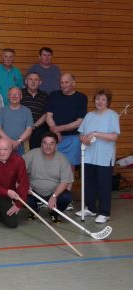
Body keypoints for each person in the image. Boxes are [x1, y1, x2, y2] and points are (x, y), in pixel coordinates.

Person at [77, 89, 120, 223]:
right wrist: (84, 139)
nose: (99, 102)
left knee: (103, 185)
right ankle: (91, 208)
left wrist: (96, 134)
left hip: (104, 157)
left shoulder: (112, 115)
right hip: (89, 156)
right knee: (89, 184)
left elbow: (114, 136)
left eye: (103, 99)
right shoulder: (89, 116)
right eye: (97, 99)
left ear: (108, 102)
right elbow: (81, 134)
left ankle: (104, 212)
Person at [23, 132, 73, 223]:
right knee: (20, 193)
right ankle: (34, 209)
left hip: (54, 192)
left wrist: (54, 196)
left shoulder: (62, 159)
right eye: (45, 143)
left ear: (56, 146)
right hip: (33, 192)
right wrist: (24, 184)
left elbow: (65, 182)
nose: (48, 146)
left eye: (51, 143)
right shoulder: (32, 154)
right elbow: (18, 170)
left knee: (66, 197)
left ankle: (54, 212)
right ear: (41, 144)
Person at [46, 73, 87, 167]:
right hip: (55, 138)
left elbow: (80, 122)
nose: (63, 85)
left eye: (66, 82)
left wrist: (59, 129)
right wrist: (56, 132)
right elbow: (48, 116)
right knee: (53, 166)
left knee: (70, 167)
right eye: (62, 82)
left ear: (73, 83)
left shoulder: (81, 98)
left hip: (73, 138)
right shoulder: (54, 95)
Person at [0, 87, 34, 155]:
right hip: (4, 145)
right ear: (8, 97)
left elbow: (29, 130)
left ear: (21, 97)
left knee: (22, 164)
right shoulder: (2, 111)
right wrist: (10, 142)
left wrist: (18, 141)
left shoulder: (27, 111)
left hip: (22, 145)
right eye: (11, 94)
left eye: (17, 94)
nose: (14, 96)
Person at [21, 72, 49, 149]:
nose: (33, 82)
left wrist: (33, 126)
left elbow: (45, 114)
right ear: (26, 81)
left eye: (36, 80)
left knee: (36, 153)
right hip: (21, 129)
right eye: (30, 79)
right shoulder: (19, 93)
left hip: (38, 130)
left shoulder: (45, 96)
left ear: (40, 82)